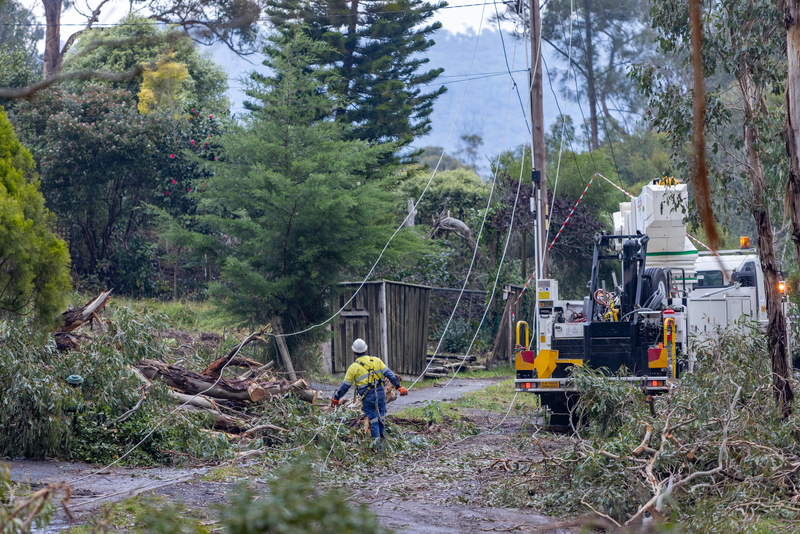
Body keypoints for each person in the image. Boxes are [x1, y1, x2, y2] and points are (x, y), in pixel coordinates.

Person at [330, 338, 408, 448]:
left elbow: (345, 386)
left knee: (373, 421)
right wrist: (399, 387)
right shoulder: (376, 361)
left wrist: (336, 398)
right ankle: (382, 446)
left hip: (368, 398)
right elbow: (390, 375)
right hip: (381, 394)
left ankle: (377, 448)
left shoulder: (353, 367)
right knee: (381, 419)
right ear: (366, 350)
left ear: (354, 352)